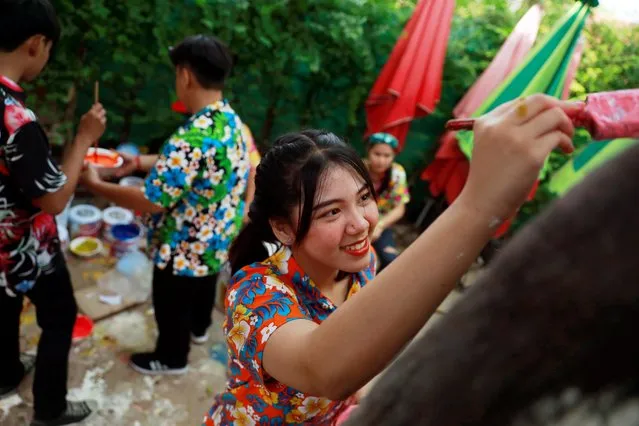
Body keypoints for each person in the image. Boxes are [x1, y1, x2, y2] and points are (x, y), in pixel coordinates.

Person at [203, 95, 579, 425]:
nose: (361, 224)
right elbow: (321, 368)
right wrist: (478, 205)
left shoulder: (362, 267)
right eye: (331, 213)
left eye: (364, 199)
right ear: (283, 229)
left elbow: (355, 367)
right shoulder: (254, 294)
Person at [80, 34, 250, 375]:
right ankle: (199, 330)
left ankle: (172, 358)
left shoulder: (191, 136)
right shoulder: (228, 120)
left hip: (183, 243)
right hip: (217, 233)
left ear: (185, 75)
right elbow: (193, 164)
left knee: (171, 299)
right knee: (204, 283)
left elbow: (151, 200)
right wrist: (138, 163)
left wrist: (97, 185)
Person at [0, 1, 107, 424]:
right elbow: (56, 199)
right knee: (60, 316)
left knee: (4, 305)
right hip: (26, 246)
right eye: (48, 50)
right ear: (36, 44)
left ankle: (5, 373)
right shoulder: (15, 119)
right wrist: (84, 138)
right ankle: (50, 407)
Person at [363, 132, 409, 270]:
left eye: (387, 156)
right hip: (357, 221)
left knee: (390, 260)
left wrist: (380, 225)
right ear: (368, 152)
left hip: (381, 223)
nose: (381, 160)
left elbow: (400, 208)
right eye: (377, 154)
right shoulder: (358, 168)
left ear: (393, 157)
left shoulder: (397, 173)